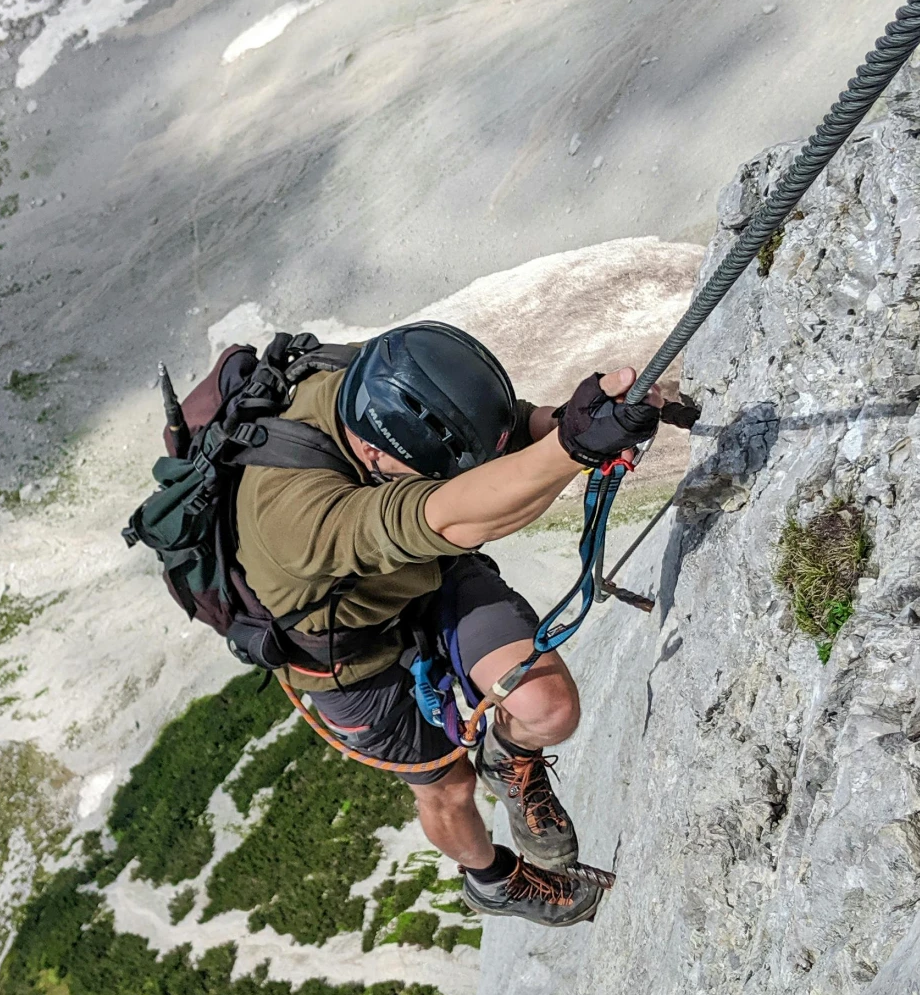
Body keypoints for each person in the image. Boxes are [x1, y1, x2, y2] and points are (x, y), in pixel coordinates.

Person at [235, 322, 670, 928]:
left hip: (420, 582)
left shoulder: (382, 392)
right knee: (447, 788)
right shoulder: (296, 515)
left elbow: (494, 432)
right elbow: (454, 520)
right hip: (349, 659)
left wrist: (575, 417)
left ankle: (509, 759)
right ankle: (492, 882)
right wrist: (573, 448)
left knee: (548, 708)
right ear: (372, 455)